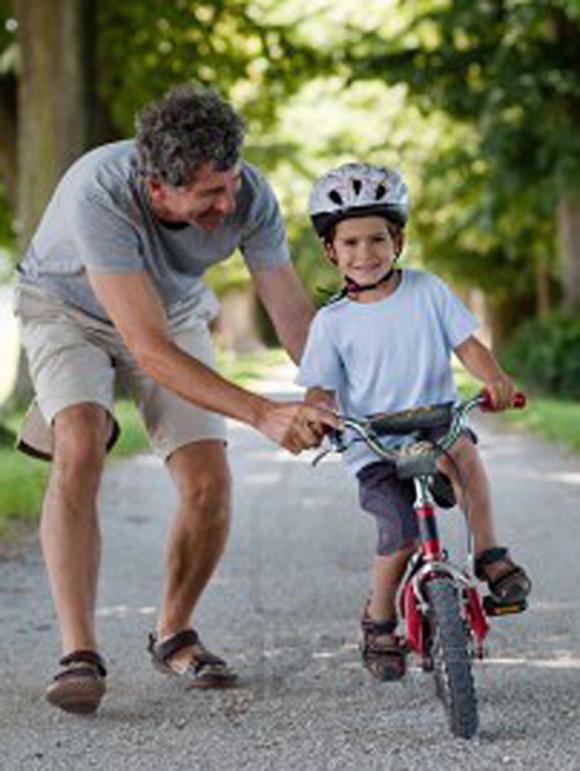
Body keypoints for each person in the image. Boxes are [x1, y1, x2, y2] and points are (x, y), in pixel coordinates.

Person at [14, 83, 337, 714]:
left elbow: (293, 315)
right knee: (79, 440)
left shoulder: (251, 195)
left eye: (232, 182)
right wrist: (263, 413)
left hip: (172, 308)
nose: (228, 202)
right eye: (209, 194)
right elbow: (150, 350)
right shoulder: (100, 192)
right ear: (157, 188)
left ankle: (174, 633)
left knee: (209, 483)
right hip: (65, 309)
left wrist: (327, 393)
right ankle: (78, 652)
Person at [297, 162, 531, 682]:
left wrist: (494, 378)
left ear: (397, 239)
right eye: (351, 243)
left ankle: (491, 555)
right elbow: (320, 387)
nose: (365, 253)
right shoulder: (332, 323)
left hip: (437, 427)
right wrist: (317, 415)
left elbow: (469, 346)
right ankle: (379, 617)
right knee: (401, 534)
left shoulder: (427, 291)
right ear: (331, 251)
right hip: (375, 444)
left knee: (466, 460)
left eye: (377, 239)